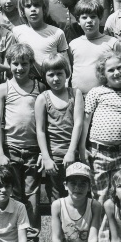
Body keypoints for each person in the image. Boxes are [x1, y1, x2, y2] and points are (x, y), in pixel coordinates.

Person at [0, 42, 44, 242]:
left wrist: (44, 152)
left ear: (31, 64)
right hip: (11, 150)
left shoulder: (39, 88)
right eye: (15, 64)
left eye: (24, 64)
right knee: (13, 195)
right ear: (9, 64)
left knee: (32, 196)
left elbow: (45, 125)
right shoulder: (4, 88)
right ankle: (13, 237)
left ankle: (31, 239)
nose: (20, 68)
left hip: (33, 150)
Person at [82, 52, 121, 198]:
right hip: (99, 153)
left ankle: (116, 221)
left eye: (119, 68)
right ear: (103, 74)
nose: (116, 72)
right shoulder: (96, 93)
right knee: (100, 195)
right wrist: (82, 147)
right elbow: (86, 121)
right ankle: (99, 221)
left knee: (119, 194)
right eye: (111, 70)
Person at [35, 54, 84, 203]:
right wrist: (46, 157)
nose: (55, 79)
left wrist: (71, 152)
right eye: (51, 75)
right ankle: (59, 226)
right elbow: (40, 130)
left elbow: (78, 123)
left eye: (59, 74)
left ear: (67, 74)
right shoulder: (43, 98)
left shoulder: (75, 93)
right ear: (45, 76)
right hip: (54, 157)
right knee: (56, 198)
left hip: (72, 155)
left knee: (76, 195)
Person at [50, 162, 104, 242]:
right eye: (73, 183)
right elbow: (56, 239)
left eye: (82, 184)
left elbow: (93, 238)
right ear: (65, 185)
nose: (77, 188)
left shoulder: (95, 206)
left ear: (90, 186)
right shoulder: (58, 205)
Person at [12, 0, 69, 79]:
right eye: (28, 6)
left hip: (51, 83)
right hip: (26, 83)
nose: (33, 9)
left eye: (36, 5)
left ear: (44, 8)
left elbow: (65, 65)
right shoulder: (16, 31)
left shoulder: (57, 33)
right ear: (22, 11)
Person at [70, 0, 121, 95]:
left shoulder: (112, 43)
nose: (89, 21)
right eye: (84, 17)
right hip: (79, 97)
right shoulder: (73, 45)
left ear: (100, 18)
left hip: (105, 97)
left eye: (93, 16)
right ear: (78, 21)